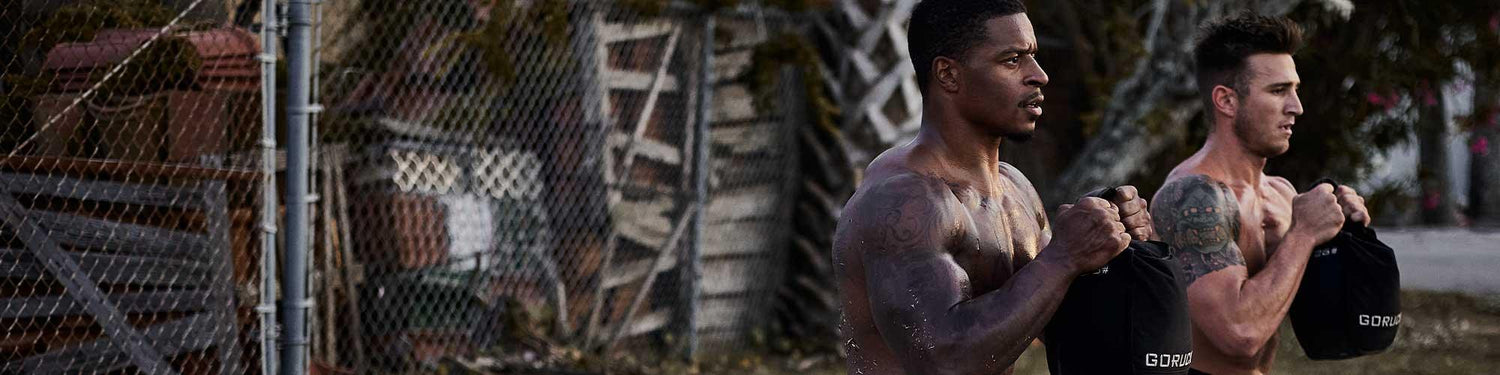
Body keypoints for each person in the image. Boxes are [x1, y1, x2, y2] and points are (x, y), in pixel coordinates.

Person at [832, 1, 1153, 373]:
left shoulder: (1015, 188)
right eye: (1013, 60)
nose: (1039, 75)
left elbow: (1068, 333)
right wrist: (1063, 257)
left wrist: (1113, 248)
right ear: (949, 75)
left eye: (1033, 56)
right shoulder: (904, 200)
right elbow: (946, 360)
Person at [1149, 13, 1372, 375]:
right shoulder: (1191, 196)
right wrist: (1304, 234)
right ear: (1226, 101)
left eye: (1295, 89)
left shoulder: (1282, 193)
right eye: (1278, 90)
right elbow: (1239, 334)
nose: (1296, 107)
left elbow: (1329, 328)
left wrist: (1346, 238)